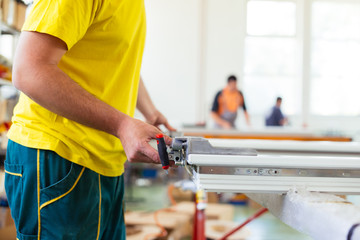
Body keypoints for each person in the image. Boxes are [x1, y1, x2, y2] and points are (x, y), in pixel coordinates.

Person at [4, 1, 175, 239]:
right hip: (58, 155)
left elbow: (118, 59)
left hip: (104, 161)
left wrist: (149, 112)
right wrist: (122, 124)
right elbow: (29, 71)